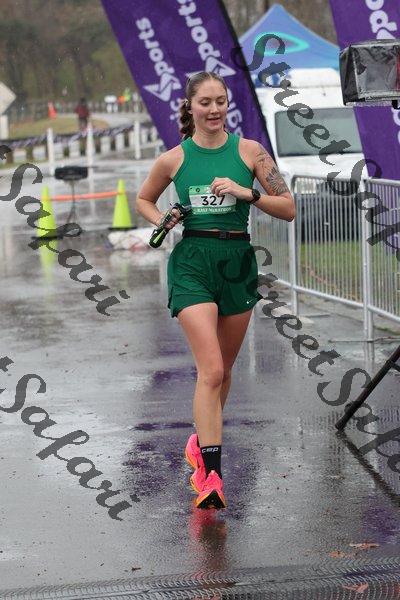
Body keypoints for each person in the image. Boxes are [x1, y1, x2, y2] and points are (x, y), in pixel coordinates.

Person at [135, 71, 295, 510]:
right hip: (193, 263)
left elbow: (288, 208)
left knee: (223, 372)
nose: (213, 109)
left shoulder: (250, 152)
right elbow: (144, 199)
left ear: (227, 104)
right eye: (205, 102)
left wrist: (247, 193)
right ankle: (210, 476)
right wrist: (162, 219)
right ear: (190, 106)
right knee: (210, 371)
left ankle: (199, 441)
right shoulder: (174, 159)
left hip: (237, 262)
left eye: (220, 101)